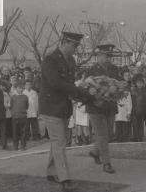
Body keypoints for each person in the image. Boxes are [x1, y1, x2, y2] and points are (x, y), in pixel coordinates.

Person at [39, 31, 91, 191]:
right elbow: (56, 83)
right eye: (74, 45)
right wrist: (78, 91)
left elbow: (68, 84)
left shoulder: (71, 61)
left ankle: (50, 171)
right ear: (65, 42)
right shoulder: (50, 60)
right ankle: (64, 178)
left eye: (77, 45)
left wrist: (80, 92)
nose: (76, 48)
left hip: (63, 107)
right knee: (60, 141)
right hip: (51, 107)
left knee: (57, 141)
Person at [86, 44, 120, 174]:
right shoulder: (91, 70)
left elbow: (118, 85)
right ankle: (107, 163)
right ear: (99, 55)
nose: (108, 59)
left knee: (109, 134)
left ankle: (95, 151)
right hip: (95, 108)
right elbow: (87, 89)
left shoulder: (115, 69)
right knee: (102, 135)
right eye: (106, 56)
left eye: (110, 56)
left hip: (110, 107)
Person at [10, 80, 29, 151]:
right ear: (16, 89)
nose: (20, 89)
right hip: (15, 117)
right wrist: (14, 113)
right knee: (15, 132)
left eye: (22, 88)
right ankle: (15, 146)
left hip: (23, 117)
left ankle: (23, 145)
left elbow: (27, 106)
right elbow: (11, 106)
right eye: (19, 88)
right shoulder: (13, 97)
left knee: (23, 132)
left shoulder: (25, 97)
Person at [131, 74, 146, 142]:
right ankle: (135, 137)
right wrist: (133, 109)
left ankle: (140, 137)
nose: (139, 84)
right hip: (134, 111)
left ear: (143, 84)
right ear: (136, 83)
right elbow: (132, 102)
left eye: (141, 83)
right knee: (135, 124)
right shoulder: (133, 92)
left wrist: (145, 108)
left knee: (141, 124)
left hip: (142, 111)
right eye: (138, 83)